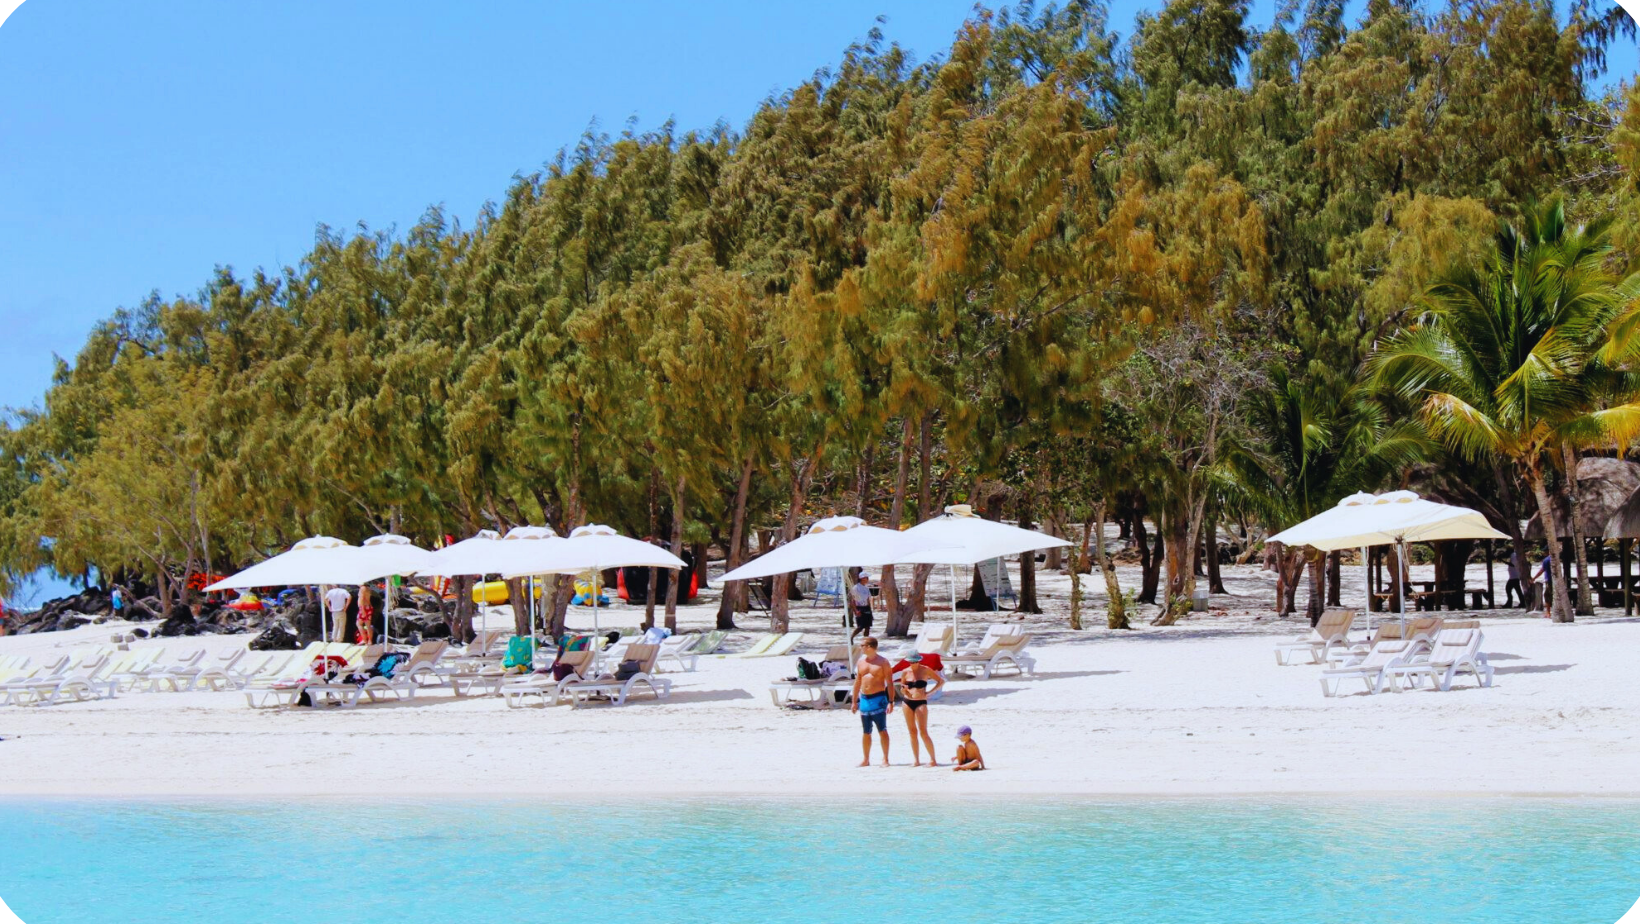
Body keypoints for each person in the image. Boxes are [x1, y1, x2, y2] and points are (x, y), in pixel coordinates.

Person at [850, 636, 894, 767]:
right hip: (864, 699)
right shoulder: (861, 662)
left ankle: (885, 759)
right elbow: (858, 681)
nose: (860, 648)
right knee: (866, 731)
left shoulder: (883, 662)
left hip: (878, 698)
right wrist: (854, 701)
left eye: (862, 645)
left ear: (869, 647)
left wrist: (891, 701)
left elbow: (890, 683)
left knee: (882, 729)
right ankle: (866, 759)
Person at [897, 653, 945, 766]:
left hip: (921, 701)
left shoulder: (926, 670)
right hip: (907, 701)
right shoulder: (905, 671)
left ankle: (933, 759)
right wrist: (904, 691)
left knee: (923, 731)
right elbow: (902, 685)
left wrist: (930, 692)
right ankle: (916, 760)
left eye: (915, 662)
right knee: (912, 732)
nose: (913, 664)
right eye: (911, 662)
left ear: (919, 661)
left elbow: (941, 681)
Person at [850, 571, 874, 644]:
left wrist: (870, 609)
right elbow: (852, 601)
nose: (867, 579)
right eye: (866, 578)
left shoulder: (866, 588)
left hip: (866, 608)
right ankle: (851, 638)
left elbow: (868, 599)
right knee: (860, 626)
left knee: (867, 626)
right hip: (859, 608)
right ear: (862, 578)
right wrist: (856, 611)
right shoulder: (856, 588)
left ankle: (865, 641)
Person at [1534, 553, 1555, 618]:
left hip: (1549, 580)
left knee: (1547, 596)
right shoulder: (1555, 559)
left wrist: (1534, 578)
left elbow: (1542, 570)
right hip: (1556, 580)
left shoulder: (1546, 560)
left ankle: (1548, 613)